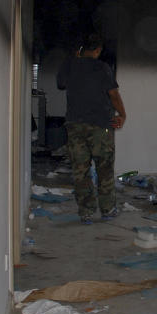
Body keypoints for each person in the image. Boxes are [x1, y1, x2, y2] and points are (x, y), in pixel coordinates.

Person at [57, 33, 127, 224]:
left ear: (81, 49)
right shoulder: (102, 68)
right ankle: (107, 210)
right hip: (101, 126)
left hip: (75, 125)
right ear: (98, 50)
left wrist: (74, 59)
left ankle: (86, 213)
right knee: (104, 169)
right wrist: (122, 115)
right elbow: (113, 95)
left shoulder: (70, 64)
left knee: (81, 170)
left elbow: (60, 84)